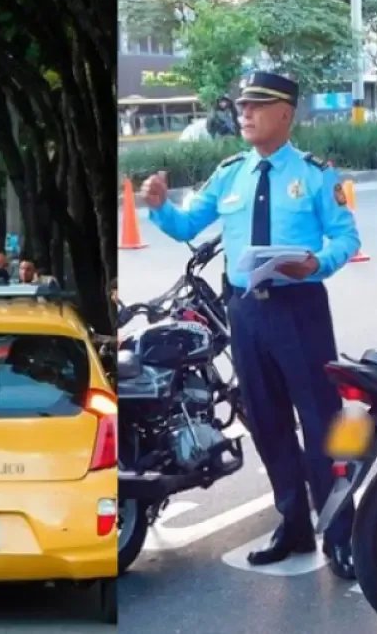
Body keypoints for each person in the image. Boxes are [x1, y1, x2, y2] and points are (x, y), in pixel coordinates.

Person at [141, 71, 360, 580]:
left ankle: (343, 532)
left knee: (322, 421)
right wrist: (159, 208)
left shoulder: (315, 174)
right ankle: (293, 524)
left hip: (299, 308)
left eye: (257, 105)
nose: (245, 113)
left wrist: (316, 263)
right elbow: (187, 225)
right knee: (265, 419)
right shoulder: (231, 172)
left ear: (285, 113)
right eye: (242, 105)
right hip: (246, 311)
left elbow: (345, 238)